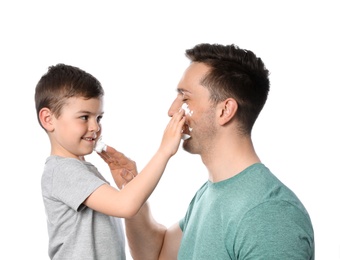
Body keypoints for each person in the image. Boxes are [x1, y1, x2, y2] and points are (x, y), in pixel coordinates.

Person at [105, 43, 315, 259]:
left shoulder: (269, 213)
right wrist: (132, 188)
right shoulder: (210, 193)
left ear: (225, 111)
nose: (172, 111)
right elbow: (157, 254)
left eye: (185, 99)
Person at [34, 63, 186, 260]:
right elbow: (125, 206)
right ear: (48, 119)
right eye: (84, 117)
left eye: (98, 118)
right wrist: (164, 151)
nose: (95, 127)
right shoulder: (62, 170)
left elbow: (125, 205)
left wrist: (128, 183)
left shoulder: (81, 169)